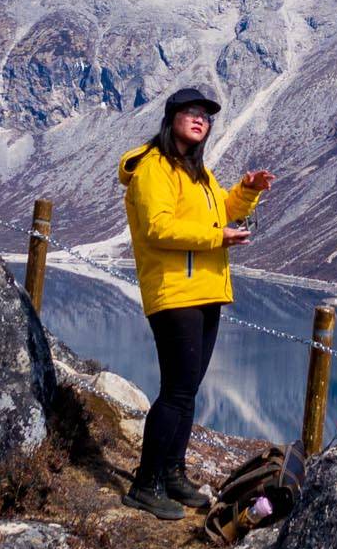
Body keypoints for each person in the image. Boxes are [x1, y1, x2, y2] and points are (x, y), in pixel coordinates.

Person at [116, 85, 273, 518]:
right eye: (191, 112)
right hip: (174, 293)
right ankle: (145, 484)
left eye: (206, 114)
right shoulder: (153, 168)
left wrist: (246, 191)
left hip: (205, 290)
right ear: (172, 118)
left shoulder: (196, 173)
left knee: (188, 391)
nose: (200, 119)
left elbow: (220, 210)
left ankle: (173, 473)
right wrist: (215, 237)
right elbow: (157, 228)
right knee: (176, 391)